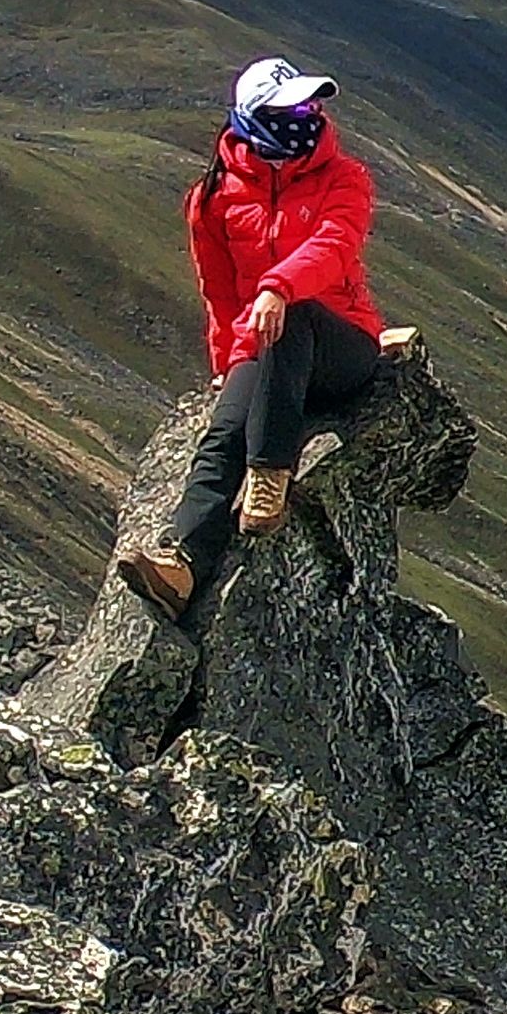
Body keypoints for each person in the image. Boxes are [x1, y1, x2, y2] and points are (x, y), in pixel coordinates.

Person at [115, 57, 387, 618]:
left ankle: (270, 475)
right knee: (221, 435)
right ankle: (182, 565)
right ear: (252, 119)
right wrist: (228, 367)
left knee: (293, 320)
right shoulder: (212, 197)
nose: (306, 118)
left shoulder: (346, 178)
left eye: (310, 107)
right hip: (264, 344)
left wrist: (278, 287)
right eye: (289, 110)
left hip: (341, 346)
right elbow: (218, 291)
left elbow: (336, 247)